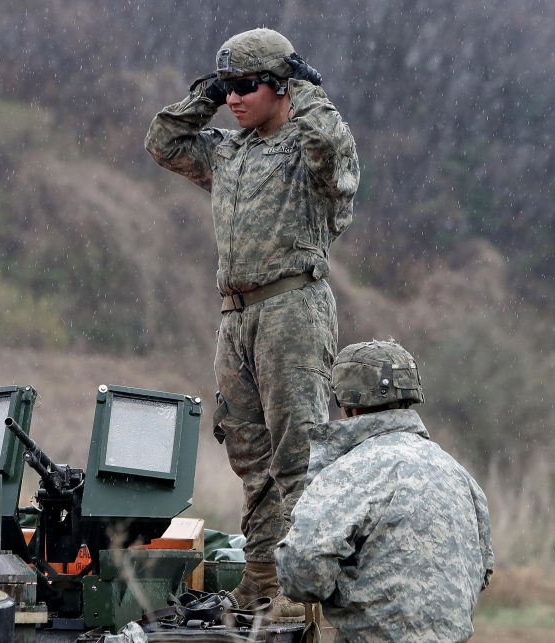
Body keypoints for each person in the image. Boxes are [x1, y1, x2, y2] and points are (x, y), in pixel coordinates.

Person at [145, 28, 359, 621]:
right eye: (228, 86)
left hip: (292, 307)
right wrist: (206, 94)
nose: (234, 98)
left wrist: (308, 89)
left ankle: (301, 584)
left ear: (281, 86)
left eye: (245, 86)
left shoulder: (305, 149)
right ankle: (262, 576)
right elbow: (163, 141)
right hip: (236, 315)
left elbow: (333, 153)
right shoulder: (229, 151)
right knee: (248, 453)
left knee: (299, 454)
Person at [276, 340, 494, 642]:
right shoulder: (460, 474)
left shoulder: (350, 471)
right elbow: (482, 570)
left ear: (348, 406)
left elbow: (301, 571)